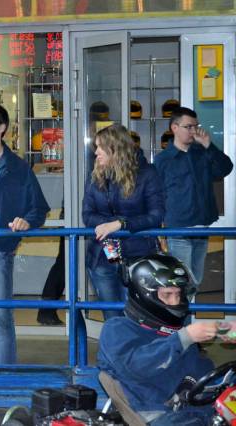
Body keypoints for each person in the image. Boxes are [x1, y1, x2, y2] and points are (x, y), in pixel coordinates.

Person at [98, 253, 225, 425]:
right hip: (158, 415)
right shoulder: (117, 328)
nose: (175, 301)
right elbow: (137, 366)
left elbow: (202, 371)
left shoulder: (176, 334)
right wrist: (185, 337)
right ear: (144, 294)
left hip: (196, 412)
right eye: (167, 294)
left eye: (178, 294)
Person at [0, 103, 49, 364]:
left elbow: (38, 208)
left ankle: (4, 376)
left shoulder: (19, 168)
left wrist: (27, 221)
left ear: (1, 128)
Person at [82, 124, 165, 320]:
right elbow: (87, 214)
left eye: (100, 147)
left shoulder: (147, 173)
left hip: (138, 257)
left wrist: (121, 224)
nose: (96, 152)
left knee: (136, 317)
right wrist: (112, 224)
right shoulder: (95, 176)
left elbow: (156, 215)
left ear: (116, 148)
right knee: (112, 316)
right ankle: (115, 342)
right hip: (102, 256)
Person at [154, 106, 233, 293]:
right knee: (182, 282)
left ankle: (184, 312)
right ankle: (181, 313)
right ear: (174, 128)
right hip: (178, 229)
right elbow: (157, 194)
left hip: (201, 227)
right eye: (188, 127)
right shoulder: (163, 160)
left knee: (195, 282)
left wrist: (209, 145)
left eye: (196, 126)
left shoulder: (203, 153)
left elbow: (225, 168)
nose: (194, 131)